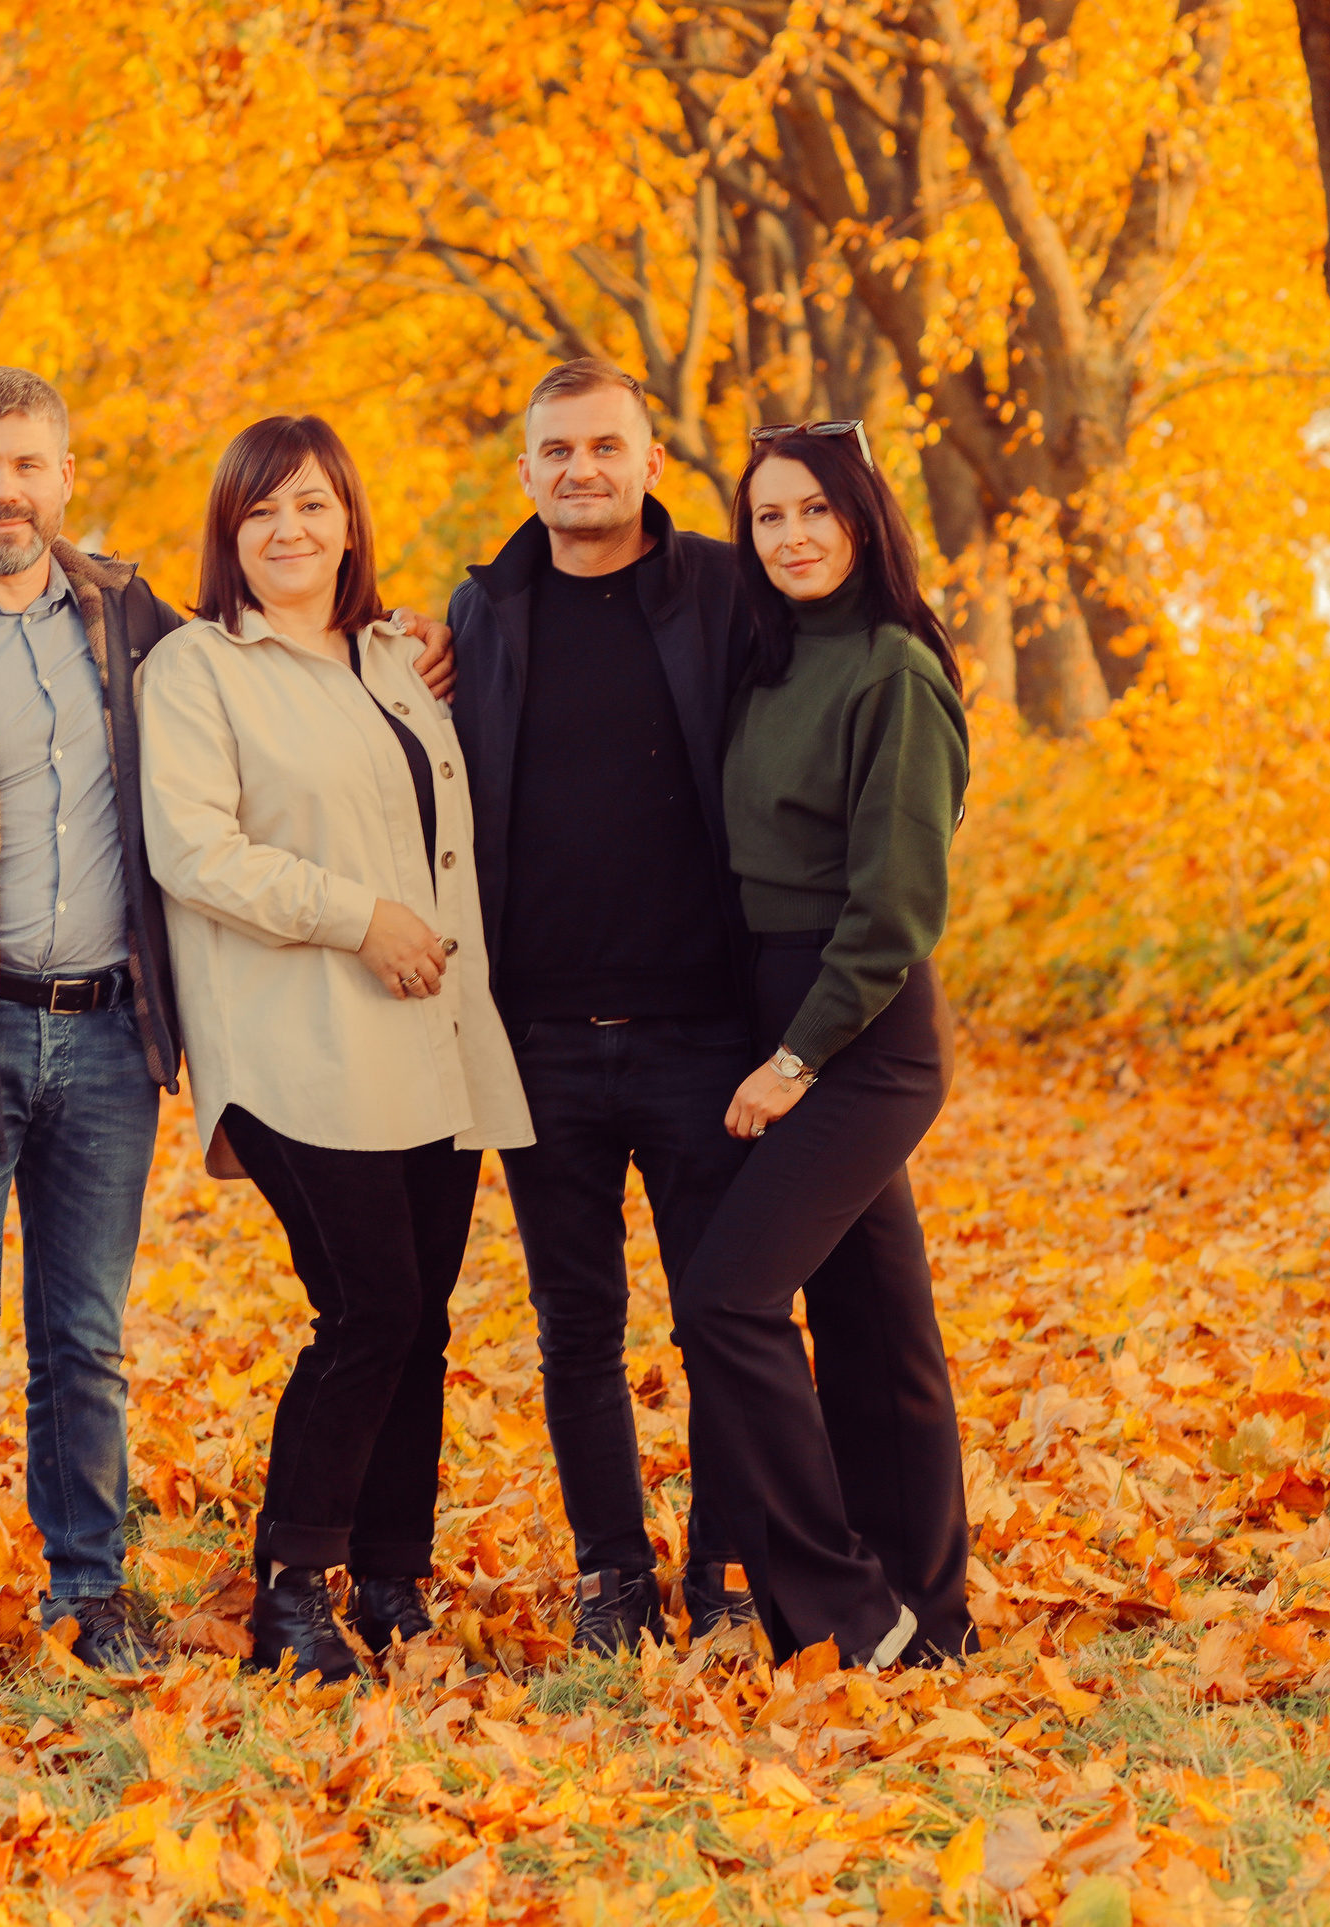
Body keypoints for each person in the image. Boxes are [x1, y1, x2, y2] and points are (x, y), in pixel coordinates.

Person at [0, 368, 456, 1694]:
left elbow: (287, 642)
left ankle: (91, 1588)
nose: (5, 490)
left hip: (104, 1035)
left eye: (28, 465)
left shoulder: (125, 619)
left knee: (86, 1340)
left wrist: (409, 633)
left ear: (66, 473)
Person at [139, 414, 533, 1683]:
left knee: (421, 1322)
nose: (288, 530)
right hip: (294, 1040)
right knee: (366, 1309)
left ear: (349, 518)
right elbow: (194, 852)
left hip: (430, 1040)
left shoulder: (395, 659)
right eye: (260, 512)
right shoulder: (197, 669)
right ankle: (292, 1590)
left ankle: (389, 1578)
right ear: (229, 535)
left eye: (311, 505)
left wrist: (425, 639)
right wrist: (358, 917)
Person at [445, 359, 758, 1653]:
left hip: (705, 1034)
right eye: (556, 449)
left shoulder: (728, 594)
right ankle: (613, 1573)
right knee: (578, 1322)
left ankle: (734, 1564)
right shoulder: (483, 613)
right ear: (527, 472)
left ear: (651, 460)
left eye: (605, 445)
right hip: (542, 1042)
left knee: (724, 1311)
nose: (581, 468)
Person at [666, 422, 974, 1668]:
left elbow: (896, 901)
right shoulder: (774, 656)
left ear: (862, 518)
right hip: (772, 994)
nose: (790, 537)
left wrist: (792, 1059)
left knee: (727, 1297)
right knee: (877, 1317)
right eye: (767, 518)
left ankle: (842, 1606)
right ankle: (928, 1616)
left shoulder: (894, 669)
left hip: (859, 1025)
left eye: (813, 512)